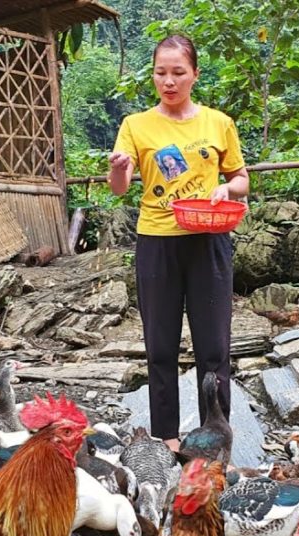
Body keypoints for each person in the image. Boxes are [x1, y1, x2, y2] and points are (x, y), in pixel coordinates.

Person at [107, 34, 250, 452]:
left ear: (194, 75)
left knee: (214, 347)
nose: (168, 81)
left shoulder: (218, 123)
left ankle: (216, 437)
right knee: (161, 345)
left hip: (209, 240)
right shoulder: (136, 125)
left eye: (177, 73)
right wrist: (118, 168)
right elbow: (119, 188)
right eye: (160, 73)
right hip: (157, 241)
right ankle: (166, 438)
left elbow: (241, 178)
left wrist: (228, 190)